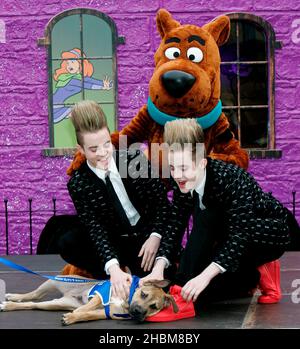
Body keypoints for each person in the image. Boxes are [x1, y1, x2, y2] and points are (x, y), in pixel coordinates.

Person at [144, 118, 299, 310]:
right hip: (225, 233)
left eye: (183, 168)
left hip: (267, 232)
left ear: (202, 163)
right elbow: (175, 223)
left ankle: (264, 265)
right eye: (173, 167)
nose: (177, 175)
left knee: (201, 282)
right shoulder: (182, 182)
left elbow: (240, 235)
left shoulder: (230, 178)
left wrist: (204, 277)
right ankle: (249, 277)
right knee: (199, 293)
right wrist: (159, 269)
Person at [37, 100, 179, 300]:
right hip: (116, 243)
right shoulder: (78, 183)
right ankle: (118, 273)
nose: (103, 153)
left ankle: (128, 273)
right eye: (94, 149)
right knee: (67, 241)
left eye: (106, 144)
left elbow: (163, 206)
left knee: (169, 276)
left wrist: (155, 236)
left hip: (147, 237)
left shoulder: (132, 160)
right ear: (80, 149)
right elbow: (96, 228)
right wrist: (113, 267)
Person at [53, 48, 113, 123]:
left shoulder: (78, 77)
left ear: (80, 63)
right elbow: (86, 85)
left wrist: (107, 84)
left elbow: (90, 80)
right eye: (67, 63)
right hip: (54, 107)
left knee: (81, 114)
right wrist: (102, 87)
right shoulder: (72, 80)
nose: (69, 65)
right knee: (81, 113)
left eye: (72, 62)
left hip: (60, 106)